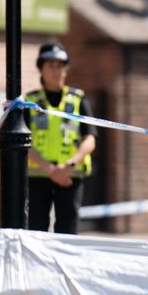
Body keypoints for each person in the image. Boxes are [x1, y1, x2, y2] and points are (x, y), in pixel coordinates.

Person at [24, 41, 98, 234]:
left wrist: (69, 166)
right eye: (50, 65)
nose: (56, 71)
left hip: (70, 176)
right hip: (38, 175)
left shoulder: (78, 100)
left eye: (60, 66)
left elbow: (90, 139)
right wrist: (50, 170)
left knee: (68, 229)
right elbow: (23, 142)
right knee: (36, 229)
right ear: (41, 69)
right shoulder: (30, 102)